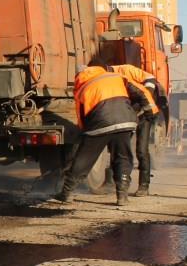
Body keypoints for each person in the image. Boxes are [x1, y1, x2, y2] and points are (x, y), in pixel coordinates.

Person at [57, 61, 154, 206]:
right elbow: (140, 92)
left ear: (80, 75)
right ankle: (122, 196)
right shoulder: (116, 77)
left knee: (84, 159)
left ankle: (67, 193)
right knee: (122, 157)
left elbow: (81, 115)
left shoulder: (83, 87)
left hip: (100, 124)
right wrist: (148, 110)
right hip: (125, 122)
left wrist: (85, 133)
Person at [107, 64, 166, 196]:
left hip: (146, 113)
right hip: (129, 112)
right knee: (119, 148)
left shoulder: (125, 70)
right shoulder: (109, 81)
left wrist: (146, 97)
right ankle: (115, 182)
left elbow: (150, 78)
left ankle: (144, 186)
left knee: (141, 149)